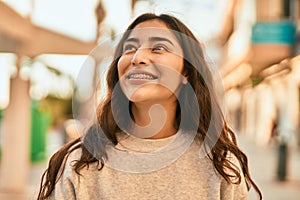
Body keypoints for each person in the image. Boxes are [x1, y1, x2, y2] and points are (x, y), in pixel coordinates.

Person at [37, 13, 262, 200]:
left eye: (159, 48)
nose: (138, 57)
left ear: (186, 72)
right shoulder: (81, 163)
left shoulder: (219, 165)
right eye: (130, 48)